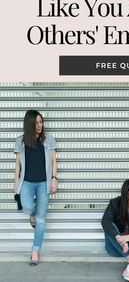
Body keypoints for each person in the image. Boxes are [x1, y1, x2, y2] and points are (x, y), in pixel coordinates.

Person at [13, 110, 58, 265]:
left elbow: (53, 161)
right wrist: (16, 182)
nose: (39, 125)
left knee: (41, 218)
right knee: (26, 206)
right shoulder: (20, 141)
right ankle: (31, 214)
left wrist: (54, 178)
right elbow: (17, 164)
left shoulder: (49, 140)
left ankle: (35, 251)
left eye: (41, 122)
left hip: (43, 183)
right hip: (26, 181)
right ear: (29, 124)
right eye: (36, 122)